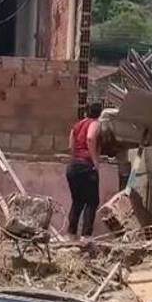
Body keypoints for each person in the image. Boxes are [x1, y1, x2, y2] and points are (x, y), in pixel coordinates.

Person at [66, 102, 103, 238]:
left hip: (73, 167)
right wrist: (95, 161)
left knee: (77, 201)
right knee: (92, 201)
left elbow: (71, 146)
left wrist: (75, 160)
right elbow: (90, 138)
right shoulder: (95, 123)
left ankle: (71, 234)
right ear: (99, 113)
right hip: (87, 166)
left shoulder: (76, 125)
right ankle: (86, 237)